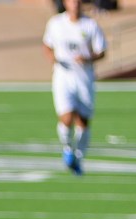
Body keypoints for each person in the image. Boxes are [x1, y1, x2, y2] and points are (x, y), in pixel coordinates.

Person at [42, 0, 107, 176]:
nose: (75, 4)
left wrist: (87, 58)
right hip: (63, 78)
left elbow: (101, 51)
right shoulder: (56, 23)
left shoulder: (90, 25)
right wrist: (52, 57)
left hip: (84, 78)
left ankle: (79, 157)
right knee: (67, 116)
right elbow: (47, 44)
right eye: (72, 1)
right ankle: (68, 148)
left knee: (83, 121)